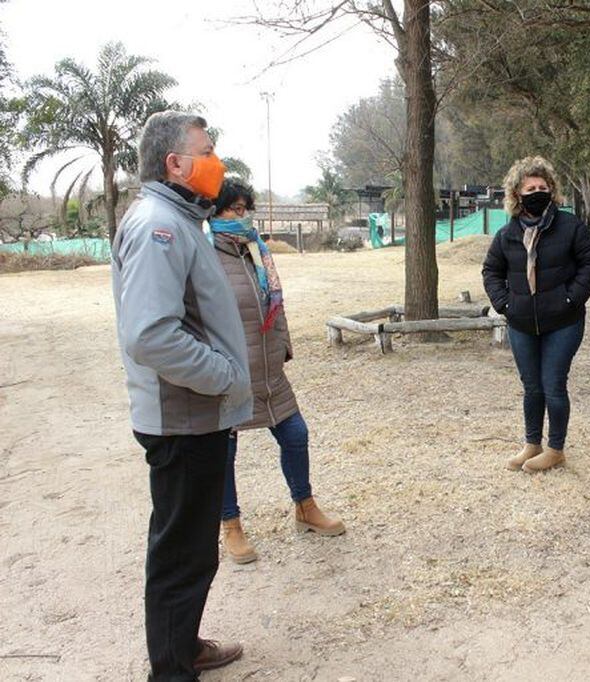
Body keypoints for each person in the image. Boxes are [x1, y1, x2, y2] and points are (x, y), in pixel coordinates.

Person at [111, 111, 251, 680]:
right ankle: (171, 669)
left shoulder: (178, 219)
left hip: (196, 416)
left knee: (192, 548)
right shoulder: (158, 226)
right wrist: (221, 374)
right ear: (176, 163)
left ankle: (183, 646)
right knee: (180, 554)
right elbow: (150, 334)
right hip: (182, 418)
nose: (217, 161)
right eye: (208, 150)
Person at [208, 179, 346, 564]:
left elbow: (275, 305)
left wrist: (282, 347)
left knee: (295, 434)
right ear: (215, 213)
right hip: (230, 375)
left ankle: (304, 506)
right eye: (233, 209)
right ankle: (231, 525)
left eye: (244, 208)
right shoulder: (204, 256)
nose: (242, 216)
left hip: (269, 371)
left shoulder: (258, 252)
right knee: (226, 452)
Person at [482, 156, 590, 473]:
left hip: (563, 322)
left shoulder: (571, 226)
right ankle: (532, 444)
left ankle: (556, 449)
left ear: (552, 190)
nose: (537, 191)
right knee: (531, 386)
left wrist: (569, 298)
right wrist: (505, 304)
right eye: (530, 187)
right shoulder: (507, 234)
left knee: (553, 384)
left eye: (542, 186)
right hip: (521, 323)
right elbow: (491, 271)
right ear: (517, 195)